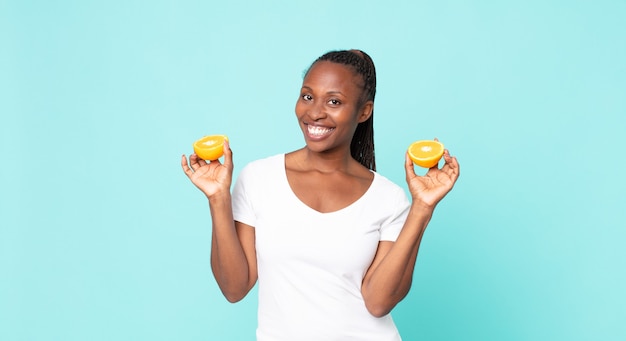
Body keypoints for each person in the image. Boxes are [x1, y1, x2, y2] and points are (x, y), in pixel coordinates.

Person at [181, 49, 460, 340]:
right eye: (307, 96)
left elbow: (378, 303)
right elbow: (234, 288)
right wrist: (217, 198)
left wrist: (422, 208)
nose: (314, 112)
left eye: (334, 101)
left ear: (364, 111)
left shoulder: (388, 199)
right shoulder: (258, 178)